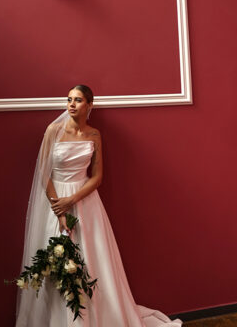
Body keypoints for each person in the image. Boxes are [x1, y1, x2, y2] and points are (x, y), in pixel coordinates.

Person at [15, 85, 182, 326]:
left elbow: (97, 177)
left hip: (86, 203)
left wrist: (72, 200)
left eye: (78, 100)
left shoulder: (94, 134)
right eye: (69, 99)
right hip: (56, 201)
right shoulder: (53, 130)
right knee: (57, 260)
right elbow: (44, 172)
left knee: (93, 260)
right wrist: (59, 209)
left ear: (89, 105)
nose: (71, 104)